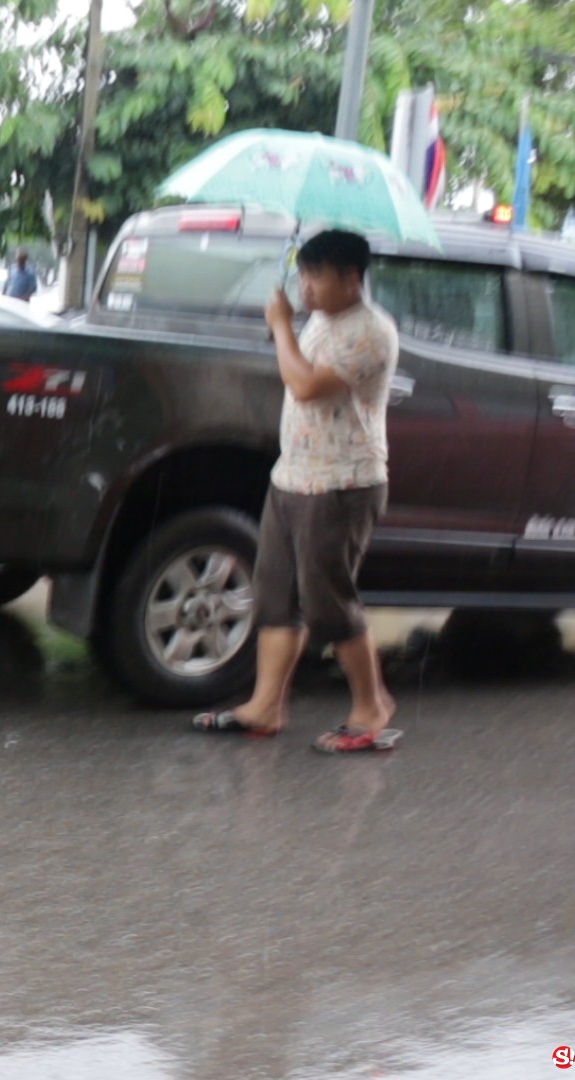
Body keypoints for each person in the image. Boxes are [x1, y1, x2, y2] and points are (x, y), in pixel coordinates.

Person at [193, 229, 400, 752]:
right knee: (275, 597)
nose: (306, 286)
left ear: (352, 279)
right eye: (303, 275)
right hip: (293, 477)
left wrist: (282, 326)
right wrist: (288, 325)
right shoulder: (321, 321)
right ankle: (266, 705)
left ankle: (372, 706)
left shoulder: (370, 333)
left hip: (341, 483)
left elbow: (306, 385)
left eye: (317, 276)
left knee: (328, 602)